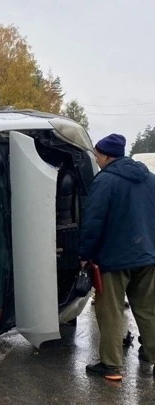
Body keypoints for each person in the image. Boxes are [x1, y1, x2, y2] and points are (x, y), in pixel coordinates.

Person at [78, 133, 155, 381]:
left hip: (114, 259)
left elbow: (93, 221)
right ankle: (152, 355)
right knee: (148, 310)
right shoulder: (150, 179)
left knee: (110, 311)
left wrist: (84, 254)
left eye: (98, 156)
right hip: (148, 256)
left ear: (107, 156)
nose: (97, 161)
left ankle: (111, 366)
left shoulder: (105, 181)